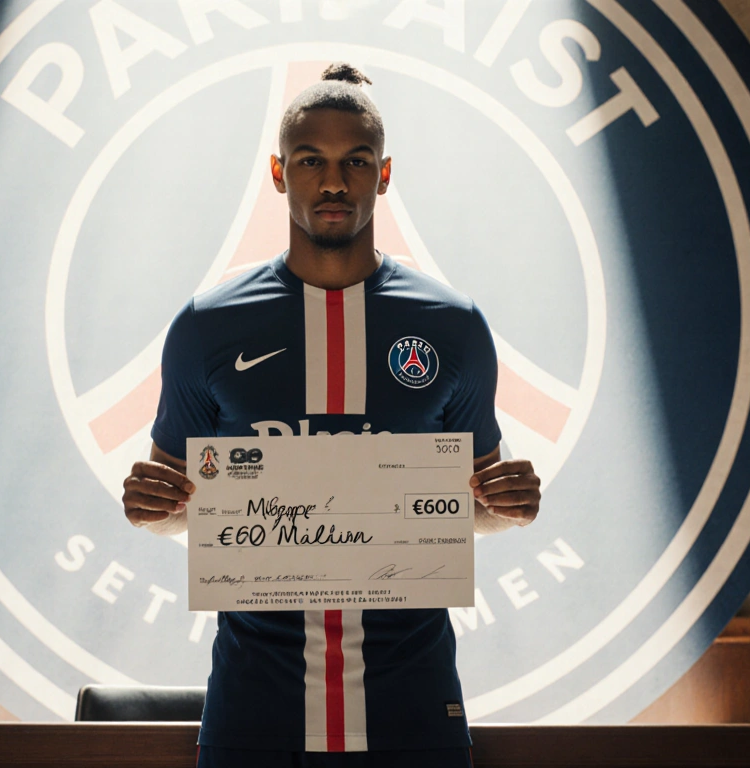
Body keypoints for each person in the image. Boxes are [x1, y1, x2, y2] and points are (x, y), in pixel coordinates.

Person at [122, 63, 542, 768]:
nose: (334, 182)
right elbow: (183, 512)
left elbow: (466, 510)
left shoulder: (453, 325)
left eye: (356, 161)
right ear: (279, 173)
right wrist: (150, 508)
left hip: (414, 708)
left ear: (384, 175)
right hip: (256, 710)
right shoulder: (207, 327)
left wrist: (511, 506)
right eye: (311, 160)